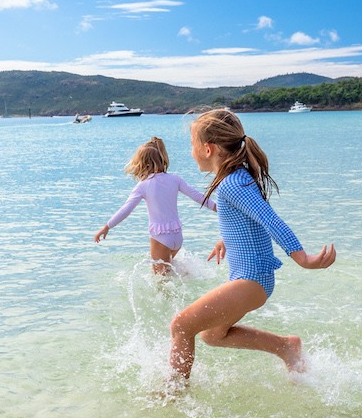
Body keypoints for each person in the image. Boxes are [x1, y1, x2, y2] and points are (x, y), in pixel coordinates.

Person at [169, 109, 335, 382]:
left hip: (251, 280)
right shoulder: (235, 179)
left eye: (192, 146)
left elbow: (271, 220)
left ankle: (172, 394)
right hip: (252, 279)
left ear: (208, 149)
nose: (190, 152)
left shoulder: (232, 184)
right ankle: (285, 346)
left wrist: (303, 258)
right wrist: (227, 239)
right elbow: (249, 220)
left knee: (180, 326)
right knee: (212, 335)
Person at [95, 137, 216, 275]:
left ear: (142, 163)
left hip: (160, 237)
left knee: (161, 284)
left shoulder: (143, 185)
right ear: (162, 159)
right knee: (170, 274)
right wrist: (217, 208)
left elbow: (126, 209)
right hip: (177, 236)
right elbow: (198, 196)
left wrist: (107, 226)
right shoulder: (175, 179)